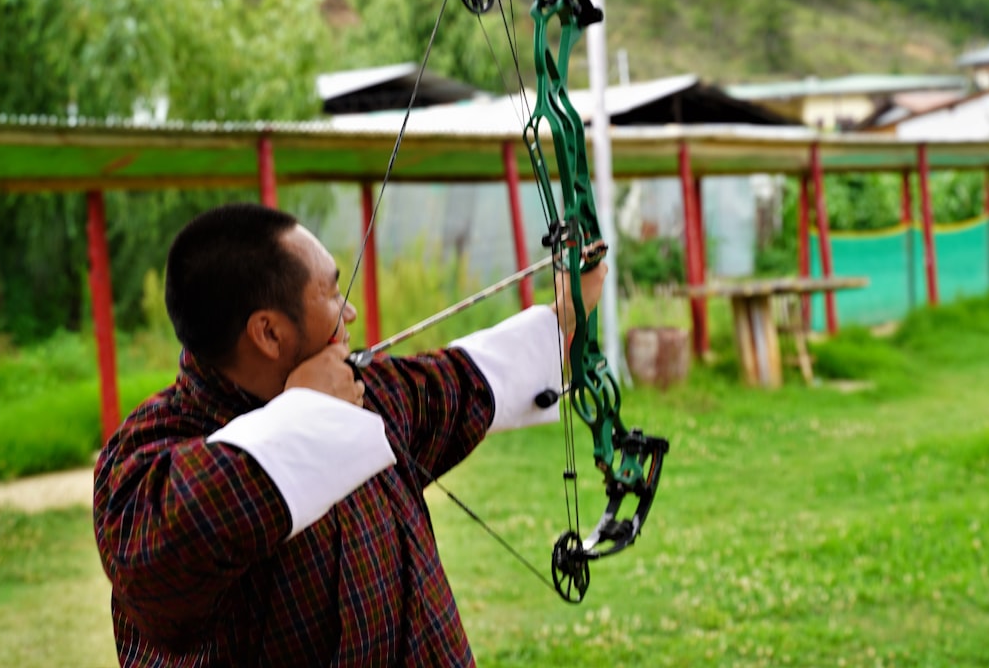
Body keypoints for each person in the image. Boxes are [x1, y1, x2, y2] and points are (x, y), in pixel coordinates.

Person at [93, 202, 606, 667]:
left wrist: (564, 317)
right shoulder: (146, 460)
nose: (349, 310)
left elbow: (460, 382)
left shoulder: (360, 393)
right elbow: (162, 560)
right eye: (332, 291)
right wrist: (306, 412)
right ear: (269, 333)